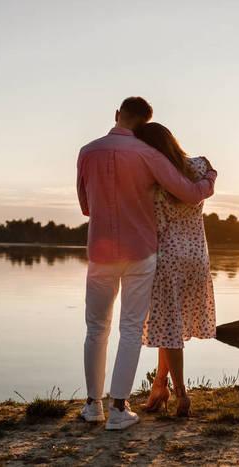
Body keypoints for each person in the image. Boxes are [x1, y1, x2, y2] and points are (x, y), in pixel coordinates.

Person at [76, 97, 217, 430]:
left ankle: (92, 406)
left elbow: (86, 206)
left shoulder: (87, 152)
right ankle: (119, 410)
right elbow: (190, 192)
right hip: (140, 252)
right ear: (143, 123)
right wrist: (210, 176)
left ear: (117, 115)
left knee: (96, 328)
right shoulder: (148, 155)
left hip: (100, 252)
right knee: (129, 329)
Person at [132, 123, 217, 417]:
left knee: (169, 330)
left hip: (167, 258)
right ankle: (159, 386)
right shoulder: (198, 166)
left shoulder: (154, 178)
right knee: (172, 326)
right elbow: (211, 175)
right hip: (197, 257)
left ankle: (181, 394)